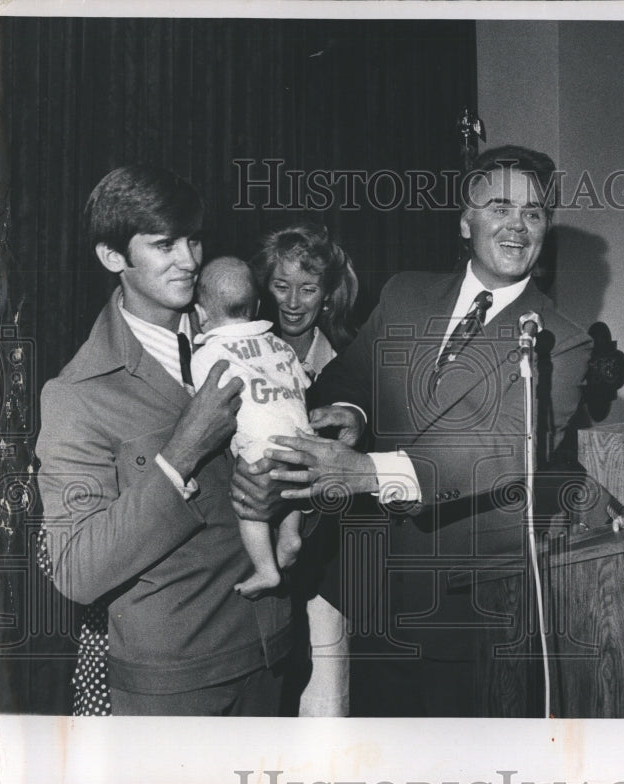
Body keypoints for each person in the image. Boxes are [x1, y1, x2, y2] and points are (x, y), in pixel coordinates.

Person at [235, 145, 594, 716]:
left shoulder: (562, 338)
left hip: (466, 610)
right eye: (499, 207)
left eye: (533, 213)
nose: (517, 225)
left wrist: (366, 472)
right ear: (465, 221)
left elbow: (501, 450)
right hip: (372, 586)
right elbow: (350, 376)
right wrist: (353, 412)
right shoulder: (406, 292)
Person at [36, 165, 300, 715]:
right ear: (113, 257)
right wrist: (182, 451)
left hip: (270, 654)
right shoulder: (77, 394)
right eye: (164, 245)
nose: (189, 260)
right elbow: (77, 571)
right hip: (174, 685)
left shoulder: (251, 337)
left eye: (193, 239)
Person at [248, 221, 359, 717]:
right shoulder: (242, 352)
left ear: (328, 294)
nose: (292, 302)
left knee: (322, 705)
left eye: (308, 289)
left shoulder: (349, 362)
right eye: (281, 285)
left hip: (325, 571)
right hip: (252, 559)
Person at [190, 256, 311, 599]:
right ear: (257, 306)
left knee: (249, 504)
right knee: (291, 486)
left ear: (200, 314)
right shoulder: (280, 344)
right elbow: (302, 384)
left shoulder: (208, 354)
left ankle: (266, 570)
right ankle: (290, 536)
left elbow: (207, 405)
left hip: (260, 450)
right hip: (302, 441)